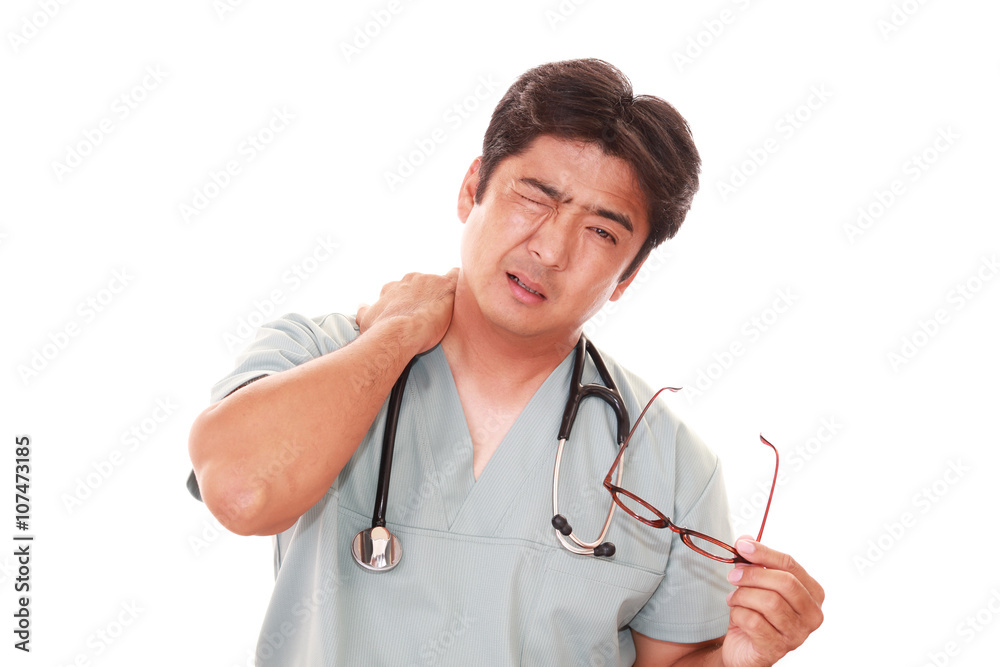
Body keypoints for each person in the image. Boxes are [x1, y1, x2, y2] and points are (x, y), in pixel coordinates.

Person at [188, 58, 824, 666]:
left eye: (602, 232)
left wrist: (735, 662)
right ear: (473, 189)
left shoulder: (672, 464)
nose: (550, 249)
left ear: (629, 275)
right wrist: (395, 337)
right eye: (536, 198)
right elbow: (242, 494)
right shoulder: (317, 353)